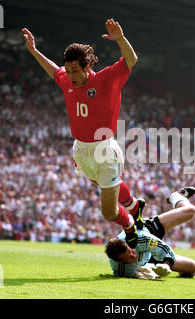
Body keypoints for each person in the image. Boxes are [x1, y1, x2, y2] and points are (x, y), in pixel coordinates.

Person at [22, 19, 144, 248]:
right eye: (68, 70)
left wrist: (120, 39)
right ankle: (135, 207)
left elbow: (131, 60)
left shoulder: (106, 79)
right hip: (80, 149)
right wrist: (34, 51)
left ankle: (130, 224)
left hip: (105, 149)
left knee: (108, 213)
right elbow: (53, 70)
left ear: (87, 68)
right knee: (103, 183)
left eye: (75, 71)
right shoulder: (67, 80)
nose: (70, 75)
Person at [105, 187, 195, 279]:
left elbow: (162, 247)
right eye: (129, 256)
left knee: (190, 211)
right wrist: (151, 271)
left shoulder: (138, 239)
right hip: (149, 259)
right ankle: (185, 271)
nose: (133, 254)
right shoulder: (121, 270)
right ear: (119, 261)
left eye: (131, 250)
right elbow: (139, 274)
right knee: (192, 267)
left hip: (149, 231)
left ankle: (176, 197)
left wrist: (166, 264)